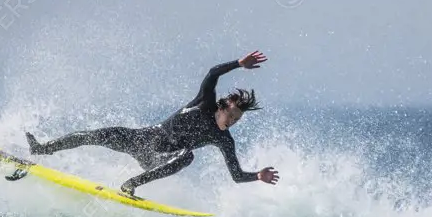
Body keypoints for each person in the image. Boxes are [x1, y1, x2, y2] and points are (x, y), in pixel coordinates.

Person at [25, 50, 280, 197]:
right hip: (143, 140)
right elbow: (212, 74)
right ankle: (41, 149)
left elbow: (235, 175)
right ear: (223, 107)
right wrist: (237, 64)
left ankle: (130, 185)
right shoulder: (205, 102)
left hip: (158, 159)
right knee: (95, 135)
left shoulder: (224, 139)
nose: (233, 123)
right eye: (233, 116)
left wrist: (256, 176)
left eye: (237, 121)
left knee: (186, 156)